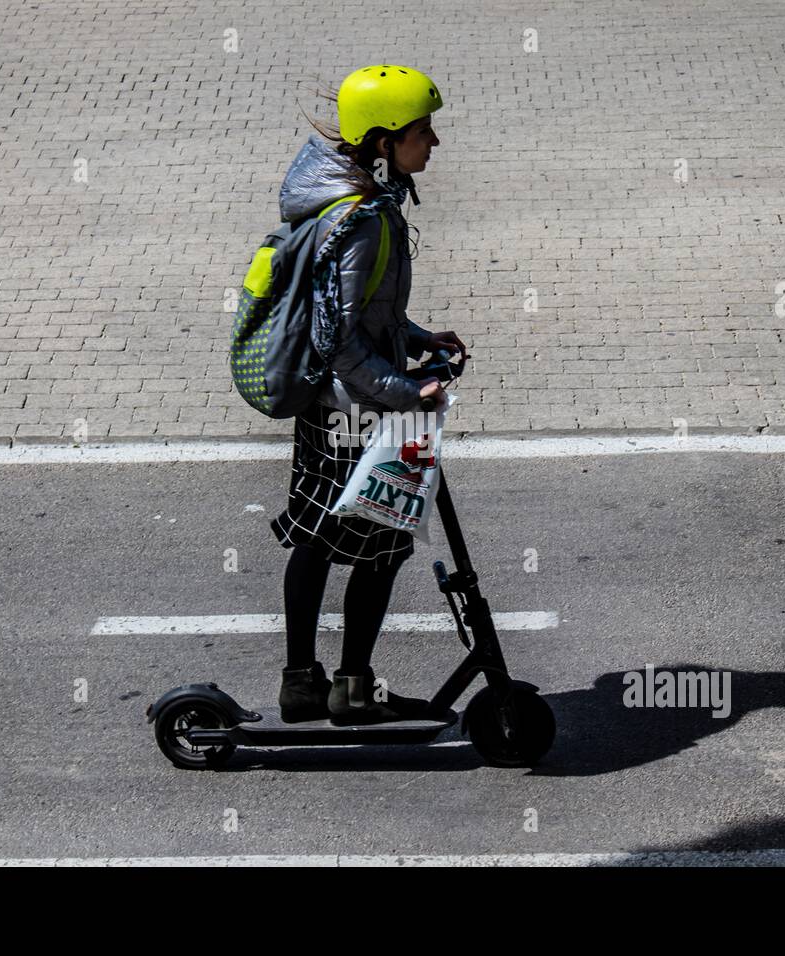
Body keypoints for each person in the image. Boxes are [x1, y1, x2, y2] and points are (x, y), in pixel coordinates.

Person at [269, 65, 466, 724]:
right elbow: (339, 340)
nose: (432, 142)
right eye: (422, 131)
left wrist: (415, 334)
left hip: (340, 407)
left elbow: (363, 313)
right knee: (380, 547)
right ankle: (349, 691)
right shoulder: (361, 219)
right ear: (384, 142)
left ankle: (305, 683)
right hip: (357, 413)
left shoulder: (361, 198)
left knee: (321, 538)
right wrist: (408, 389)